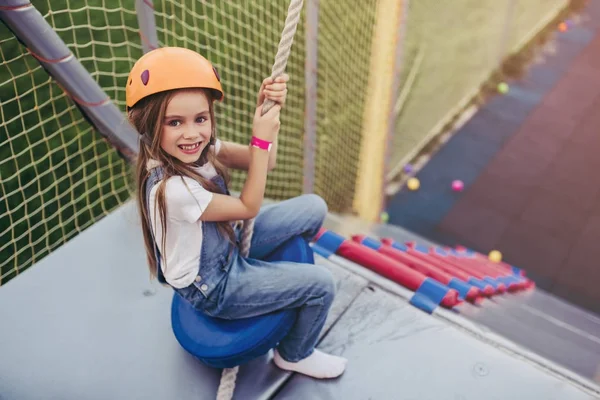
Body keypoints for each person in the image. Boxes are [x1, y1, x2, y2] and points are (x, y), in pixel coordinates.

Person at [126, 47, 347, 379]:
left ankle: (273, 282)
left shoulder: (199, 148)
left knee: (313, 207)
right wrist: (259, 140)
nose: (192, 133)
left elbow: (265, 162)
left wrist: (266, 116)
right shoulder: (172, 190)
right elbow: (248, 207)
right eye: (175, 122)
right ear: (148, 125)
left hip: (227, 246)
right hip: (214, 285)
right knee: (321, 284)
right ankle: (294, 354)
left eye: (200, 118)